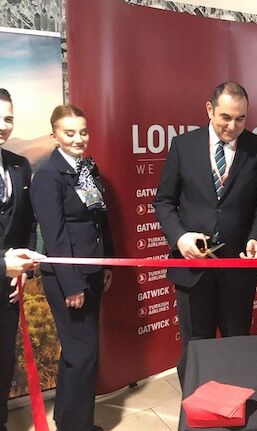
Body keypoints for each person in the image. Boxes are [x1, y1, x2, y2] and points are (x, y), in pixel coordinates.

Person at [154, 82, 257, 381]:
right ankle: (195, 406)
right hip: (192, 269)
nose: (232, 126)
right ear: (209, 109)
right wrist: (180, 237)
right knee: (196, 348)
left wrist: (256, 237)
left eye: (240, 118)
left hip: (238, 269)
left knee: (237, 345)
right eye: (226, 117)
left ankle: (234, 401)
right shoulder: (183, 146)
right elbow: (164, 201)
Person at [31, 104, 114, 431]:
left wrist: (107, 262)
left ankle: (68, 421)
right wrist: (72, 285)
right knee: (84, 354)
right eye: (70, 133)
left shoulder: (87, 168)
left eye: (83, 132)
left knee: (77, 352)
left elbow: (99, 218)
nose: (79, 138)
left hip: (92, 269)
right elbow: (54, 236)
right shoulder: (48, 176)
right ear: (55, 136)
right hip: (69, 278)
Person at [0, 88, 37, 431]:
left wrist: (23, 269)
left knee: (3, 366)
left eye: (8, 118)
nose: (3, 125)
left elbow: (26, 224)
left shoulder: (19, 166)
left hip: (8, 293)